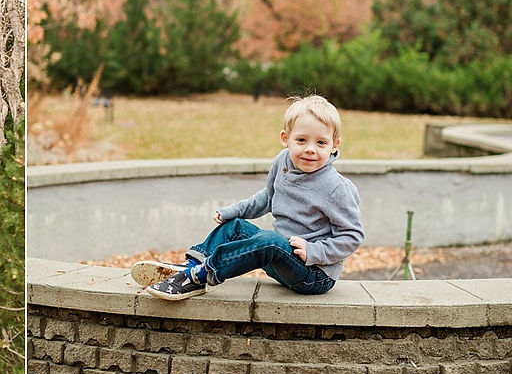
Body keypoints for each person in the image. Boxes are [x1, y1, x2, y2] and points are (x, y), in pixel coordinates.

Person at [132, 94, 364, 300]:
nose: (310, 149)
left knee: (269, 241)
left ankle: (201, 275)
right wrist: (233, 211)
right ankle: (191, 266)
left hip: (314, 275)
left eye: (321, 142)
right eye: (301, 140)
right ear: (286, 138)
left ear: (334, 146)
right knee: (235, 227)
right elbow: (267, 198)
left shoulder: (336, 188)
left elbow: (352, 236)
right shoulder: (282, 162)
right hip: (280, 260)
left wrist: (316, 252)